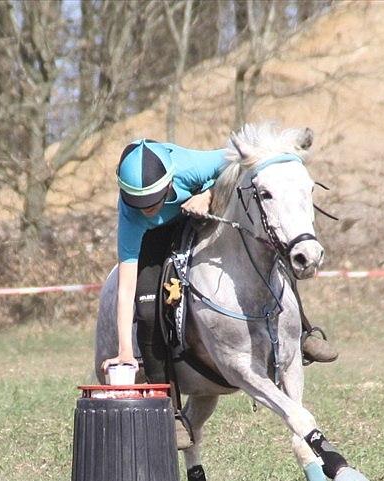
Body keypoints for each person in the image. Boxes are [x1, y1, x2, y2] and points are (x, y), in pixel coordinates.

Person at [100, 138, 339, 385]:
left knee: (272, 250)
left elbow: (243, 165)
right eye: (140, 203)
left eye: (154, 200)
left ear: (171, 180)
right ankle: (168, 407)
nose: (147, 209)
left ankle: (301, 333)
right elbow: (126, 288)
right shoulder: (131, 216)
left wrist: (208, 195)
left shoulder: (192, 166)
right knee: (148, 311)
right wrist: (125, 350)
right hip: (153, 237)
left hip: (205, 215)